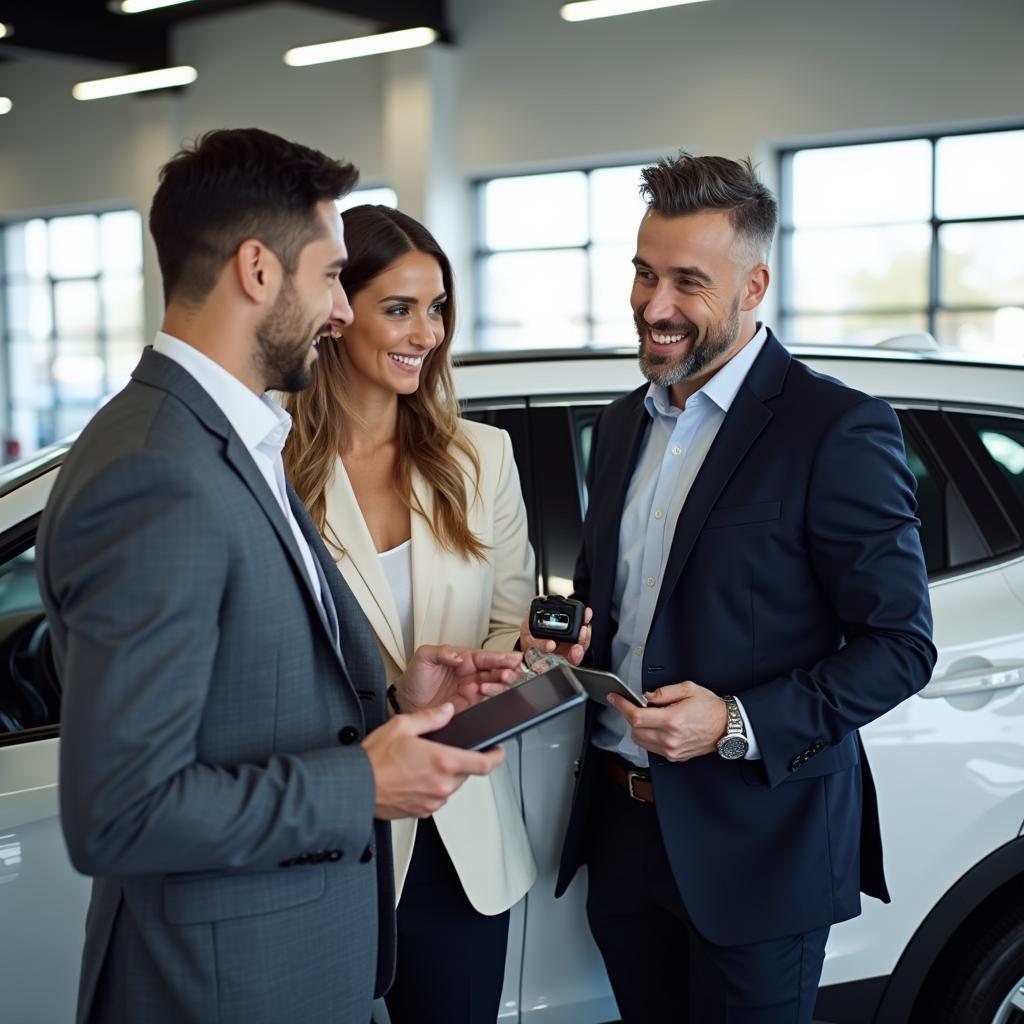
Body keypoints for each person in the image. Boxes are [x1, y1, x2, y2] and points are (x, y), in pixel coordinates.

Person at [36, 129, 519, 1024]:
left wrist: (395, 707)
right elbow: (121, 811)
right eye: (332, 275)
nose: (341, 310)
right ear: (259, 271)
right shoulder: (160, 471)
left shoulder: (231, 442)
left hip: (297, 964)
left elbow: (256, 685)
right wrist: (362, 785)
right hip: (225, 985)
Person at [549, 152, 937, 1023]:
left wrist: (735, 722)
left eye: (689, 282)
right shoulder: (619, 425)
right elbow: (625, 600)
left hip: (762, 844)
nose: (654, 306)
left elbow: (902, 648)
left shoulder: (834, 428)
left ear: (754, 284)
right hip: (623, 827)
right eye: (645, 274)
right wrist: (572, 635)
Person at [283, 204, 538, 1024]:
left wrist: (513, 661)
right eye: (399, 308)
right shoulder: (270, 467)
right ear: (335, 309)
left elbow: (508, 627)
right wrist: (394, 705)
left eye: (437, 309)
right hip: (325, 839)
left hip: (459, 845)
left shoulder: (480, 457)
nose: (425, 333)